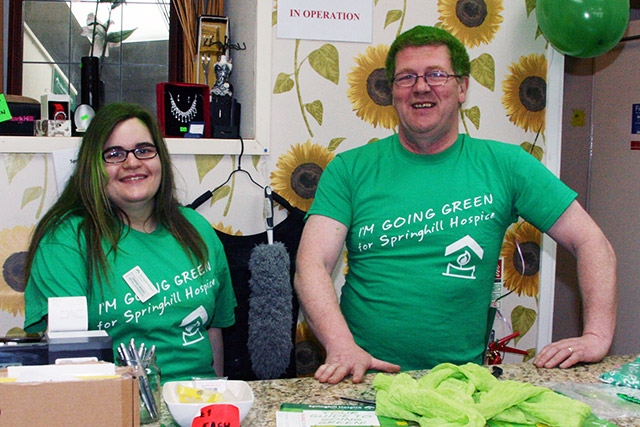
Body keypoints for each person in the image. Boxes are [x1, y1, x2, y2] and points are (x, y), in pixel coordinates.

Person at [294, 25, 617, 384]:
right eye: (405, 77)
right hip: (362, 374)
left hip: (460, 382)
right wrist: (340, 346)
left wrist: (597, 337)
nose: (420, 87)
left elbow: (592, 243)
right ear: (392, 92)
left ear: (462, 87)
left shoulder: (507, 165)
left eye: (436, 74)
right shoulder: (349, 169)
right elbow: (311, 264)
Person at [23, 102, 237, 383]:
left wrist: (218, 403)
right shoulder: (64, 243)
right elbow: (69, 360)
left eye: (144, 150)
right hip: (120, 407)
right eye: (114, 154)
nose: (132, 162)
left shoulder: (197, 229)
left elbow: (213, 332)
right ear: (93, 166)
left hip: (197, 406)